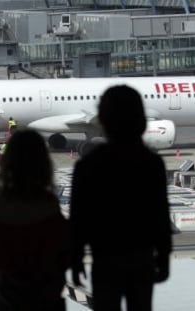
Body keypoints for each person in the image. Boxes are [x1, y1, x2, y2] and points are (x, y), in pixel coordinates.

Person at [70, 85, 172, 311]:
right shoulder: (151, 163)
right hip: (141, 257)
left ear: (104, 122)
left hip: (105, 257)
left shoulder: (88, 165)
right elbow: (160, 216)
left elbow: (78, 218)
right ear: (142, 123)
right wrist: (164, 256)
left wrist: (76, 258)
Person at [0, 129, 70, 311]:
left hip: (8, 295)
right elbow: (64, 245)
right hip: (43, 293)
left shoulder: (3, 202)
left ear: (7, 164)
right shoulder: (47, 203)